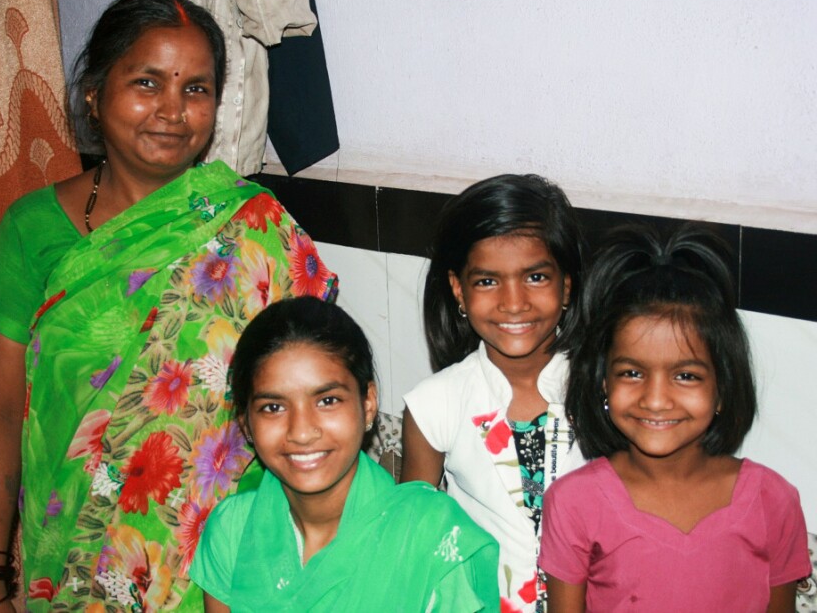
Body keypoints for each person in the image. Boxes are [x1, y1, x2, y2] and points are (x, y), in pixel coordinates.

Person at [0, 0, 336, 611]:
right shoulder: (32, 230)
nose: (172, 110)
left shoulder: (256, 226)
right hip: (72, 560)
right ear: (94, 92)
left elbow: (315, 403)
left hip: (231, 564)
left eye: (196, 88)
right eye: (147, 82)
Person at [540, 224, 810, 612]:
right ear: (602, 383)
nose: (655, 399)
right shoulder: (574, 503)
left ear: (722, 387)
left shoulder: (774, 500)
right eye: (632, 373)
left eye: (685, 376)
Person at [190, 297, 500, 612]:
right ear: (246, 425)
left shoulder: (428, 538)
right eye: (274, 407)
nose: (301, 431)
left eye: (327, 401)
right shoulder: (232, 531)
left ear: (367, 405)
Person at [401, 174, 587, 612]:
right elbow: (414, 541)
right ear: (458, 290)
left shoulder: (604, 388)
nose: (513, 302)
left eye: (536, 277)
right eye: (487, 281)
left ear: (566, 286)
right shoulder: (435, 405)